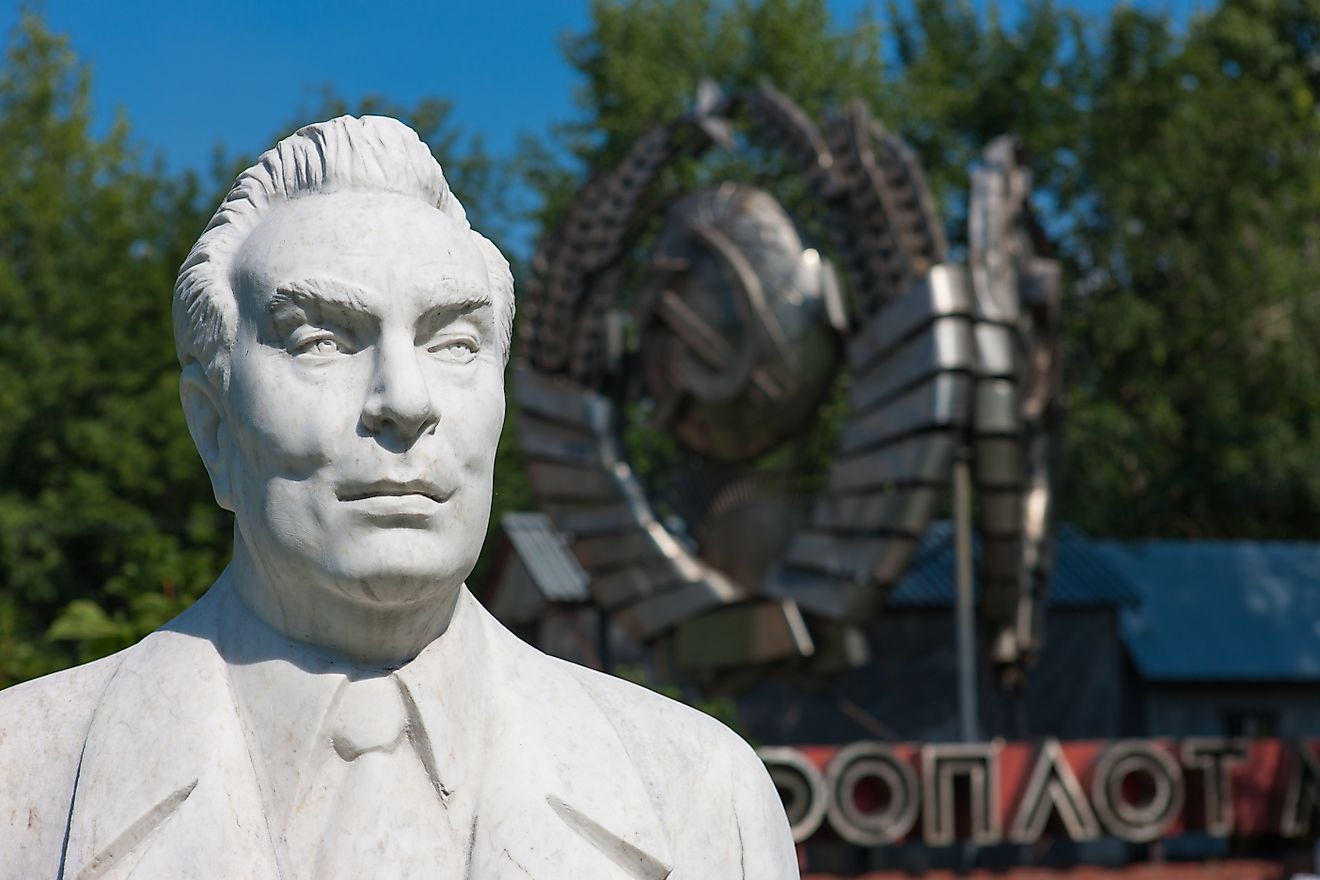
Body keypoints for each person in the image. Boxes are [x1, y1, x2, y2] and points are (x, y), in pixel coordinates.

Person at [0, 115, 797, 880]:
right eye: (322, 340)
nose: (405, 400)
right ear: (213, 426)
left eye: (453, 342)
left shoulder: (704, 795)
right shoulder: (24, 775)